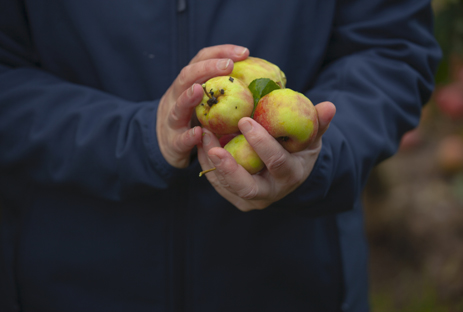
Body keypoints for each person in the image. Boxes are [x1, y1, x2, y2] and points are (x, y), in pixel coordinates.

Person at [0, 0, 440, 311]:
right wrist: (138, 136)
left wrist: (324, 151)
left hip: (294, 285)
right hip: (68, 285)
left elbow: (392, 48)